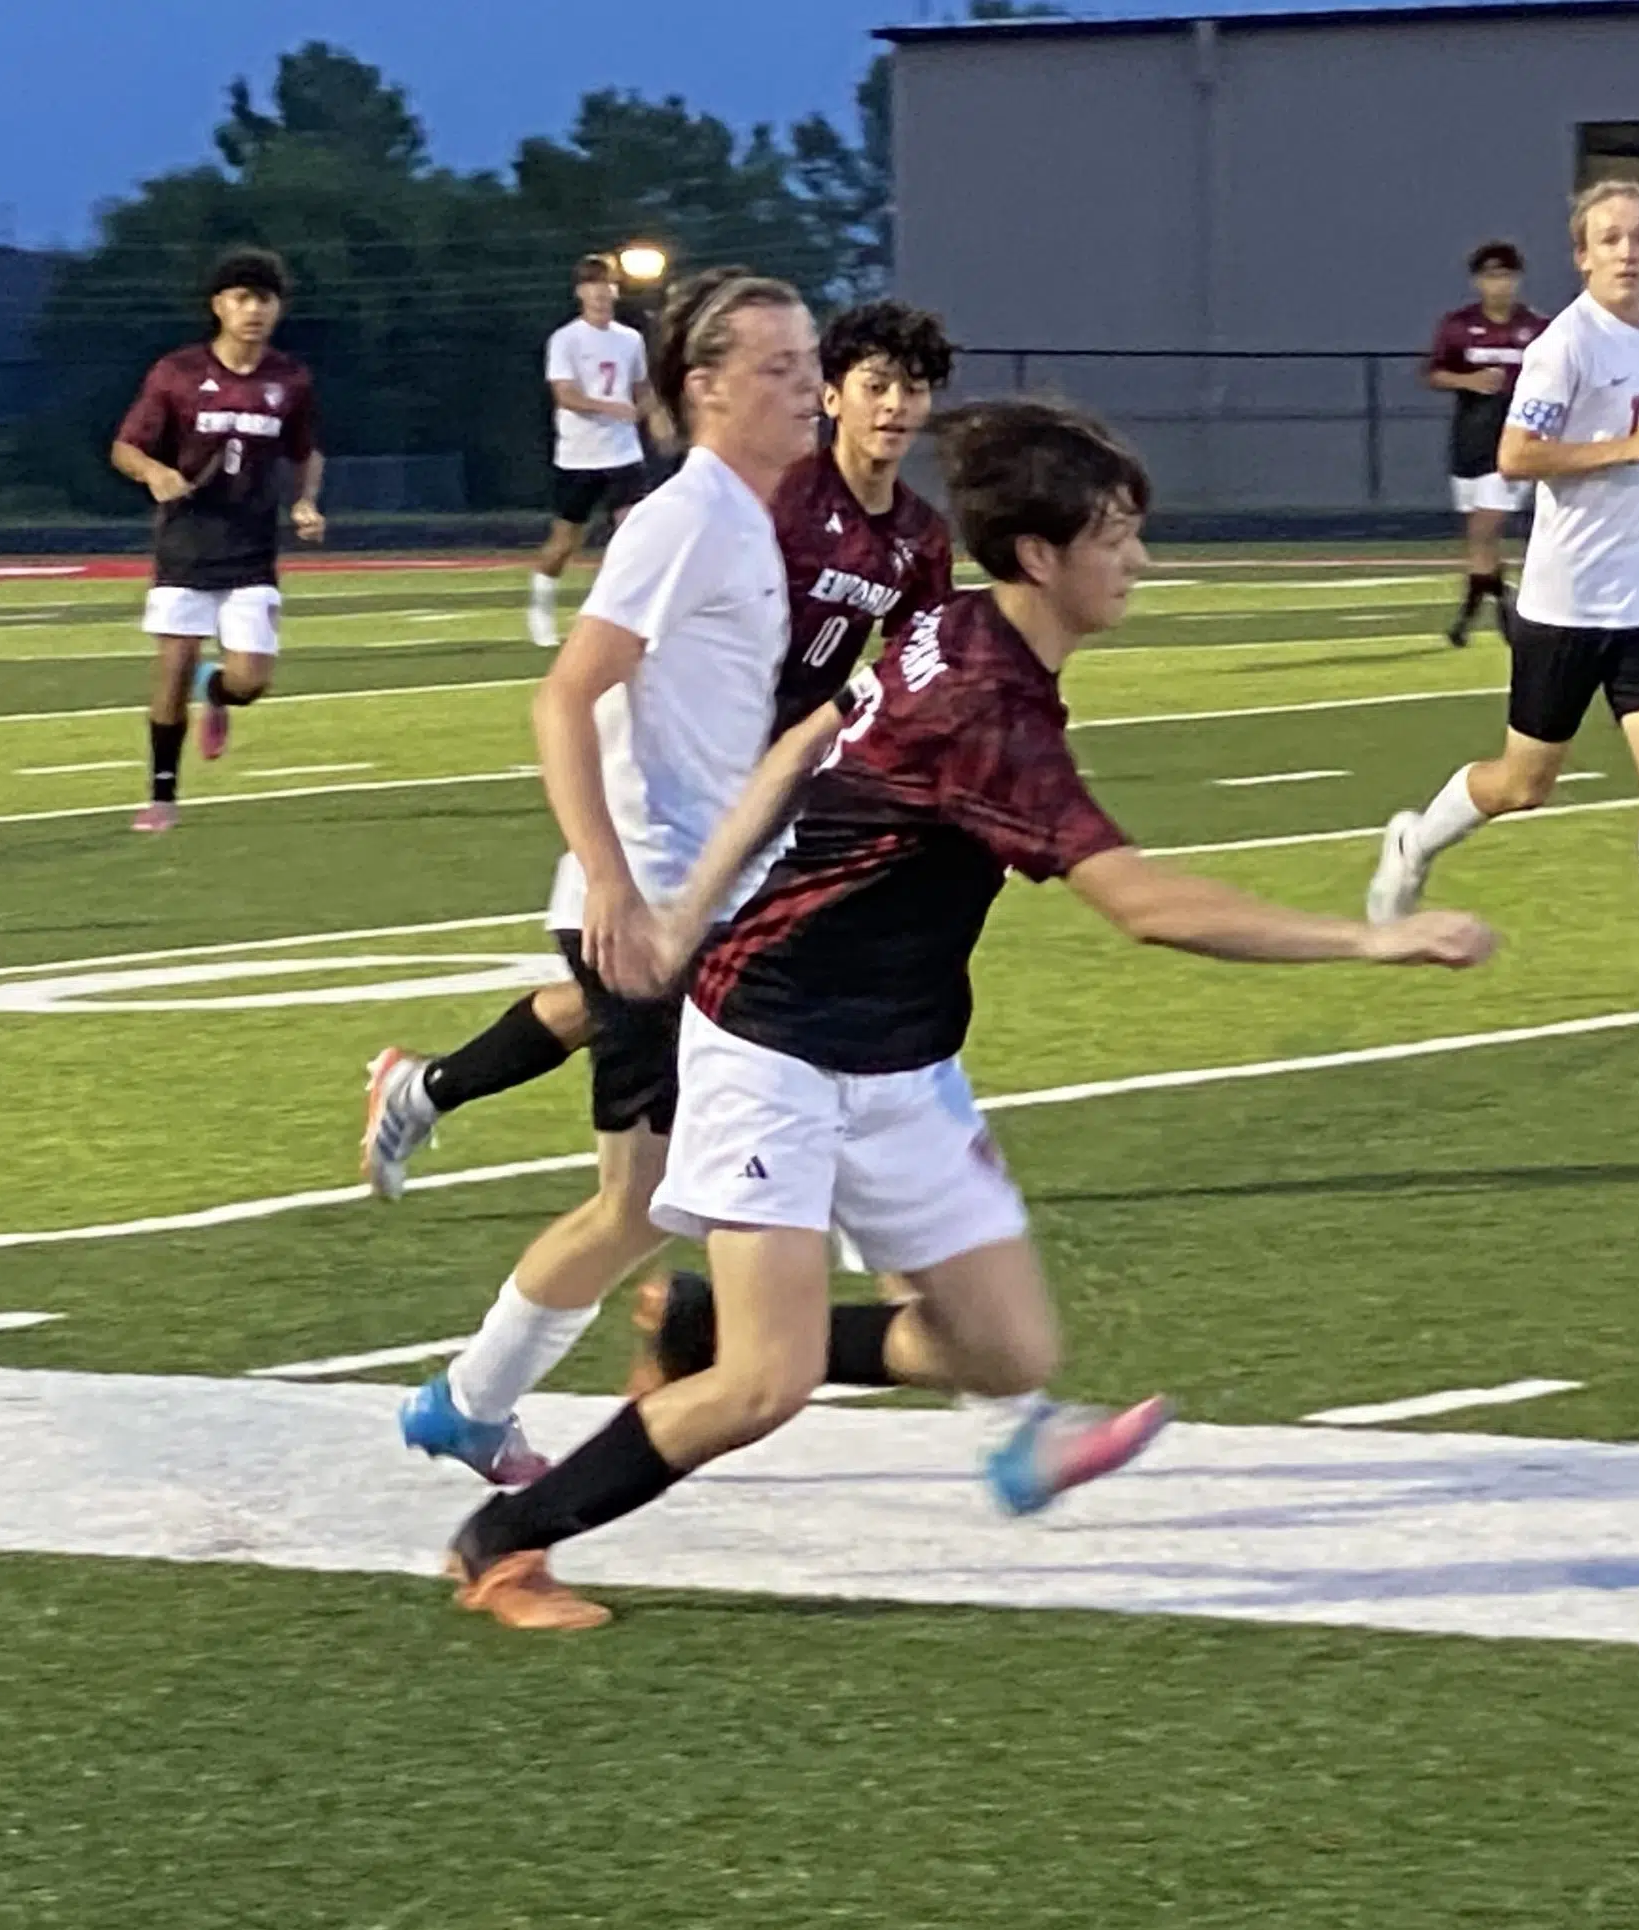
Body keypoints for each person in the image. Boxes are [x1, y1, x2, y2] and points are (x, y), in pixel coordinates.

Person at [442, 397, 1499, 1630]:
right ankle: (503, 1539)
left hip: (900, 1058)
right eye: (1115, 537)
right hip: (773, 1042)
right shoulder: (988, 713)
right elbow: (1143, 904)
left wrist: (691, 901)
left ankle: (699, 1318)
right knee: (760, 1389)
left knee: (1003, 1354)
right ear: (1042, 557)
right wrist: (1372, 936)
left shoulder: (953, 620)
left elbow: (808, 739)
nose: (1137, 561)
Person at [361, 300, 960, 1198]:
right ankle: (802, 1228)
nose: (895, 408)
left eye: (913, 390)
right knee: (698, 1032)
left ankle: (429, 1087)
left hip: (780, 807)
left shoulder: (915, 536)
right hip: (687, 806)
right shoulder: (766, 500)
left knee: (654, 1001)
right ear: (835, 396)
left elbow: (912, 671)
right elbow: (591, 677)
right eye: (874, 385)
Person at [388, 268, 818, 1490]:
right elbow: (564, 691)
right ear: (705, 386)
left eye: (808, 364)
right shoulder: (684, 518)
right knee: (668, 1191)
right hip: (659, 915)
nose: (808, 389)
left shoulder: (743, 516)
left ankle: (483, 1399)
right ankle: (494, 1398)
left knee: (654, 1196)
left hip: (711, 906)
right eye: (780, 368)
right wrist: (613, 888)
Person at [1367, 179, 1639, 1026]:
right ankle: (1414, 841)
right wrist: (1633, 445)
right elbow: (1518, 455)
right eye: (1610, 240)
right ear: (1583, 255)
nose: (1628, 252)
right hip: (1567, 603)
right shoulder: (1562, 346)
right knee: (1523, 784)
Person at [108, 247, 323, 832]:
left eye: (265, 299)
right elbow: (125, 447)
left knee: (251, 679)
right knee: (172, 667)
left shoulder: (289, 379)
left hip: (252, 547)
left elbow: (305, 450)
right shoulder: (176, 373)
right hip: (186, 542)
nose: (254, 310)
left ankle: (221, 695)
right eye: (241, 298)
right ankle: (162, 795)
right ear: (218, 306)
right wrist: (155, 473)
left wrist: (305, 501)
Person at [529, 255, 666, 648]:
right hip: (578, 457)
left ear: (616, 290)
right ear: (580, 292)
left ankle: (628, 620)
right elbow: (565, 395)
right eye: (592, 285)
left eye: (607, 284)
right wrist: (612, 408)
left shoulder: (629, 339)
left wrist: (653, 415)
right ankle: (541, 609)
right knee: (563, 544)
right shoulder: (566, 339)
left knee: (634, 535)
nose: (601, 292)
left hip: (623, 454)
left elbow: (641, 387)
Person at [1425, 241, 1549, 646]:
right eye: (1491, 276)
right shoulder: (1458, 325)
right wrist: (1470, 381)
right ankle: (1501, 601)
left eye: (1506, 276)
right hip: (1470, 437)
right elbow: (1435, 372)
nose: (1499, 285)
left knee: (1483, 530)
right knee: (1479, 538)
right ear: (1478, 281)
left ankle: (1469, 616)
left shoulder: (1536, 328)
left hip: (1513, 441)